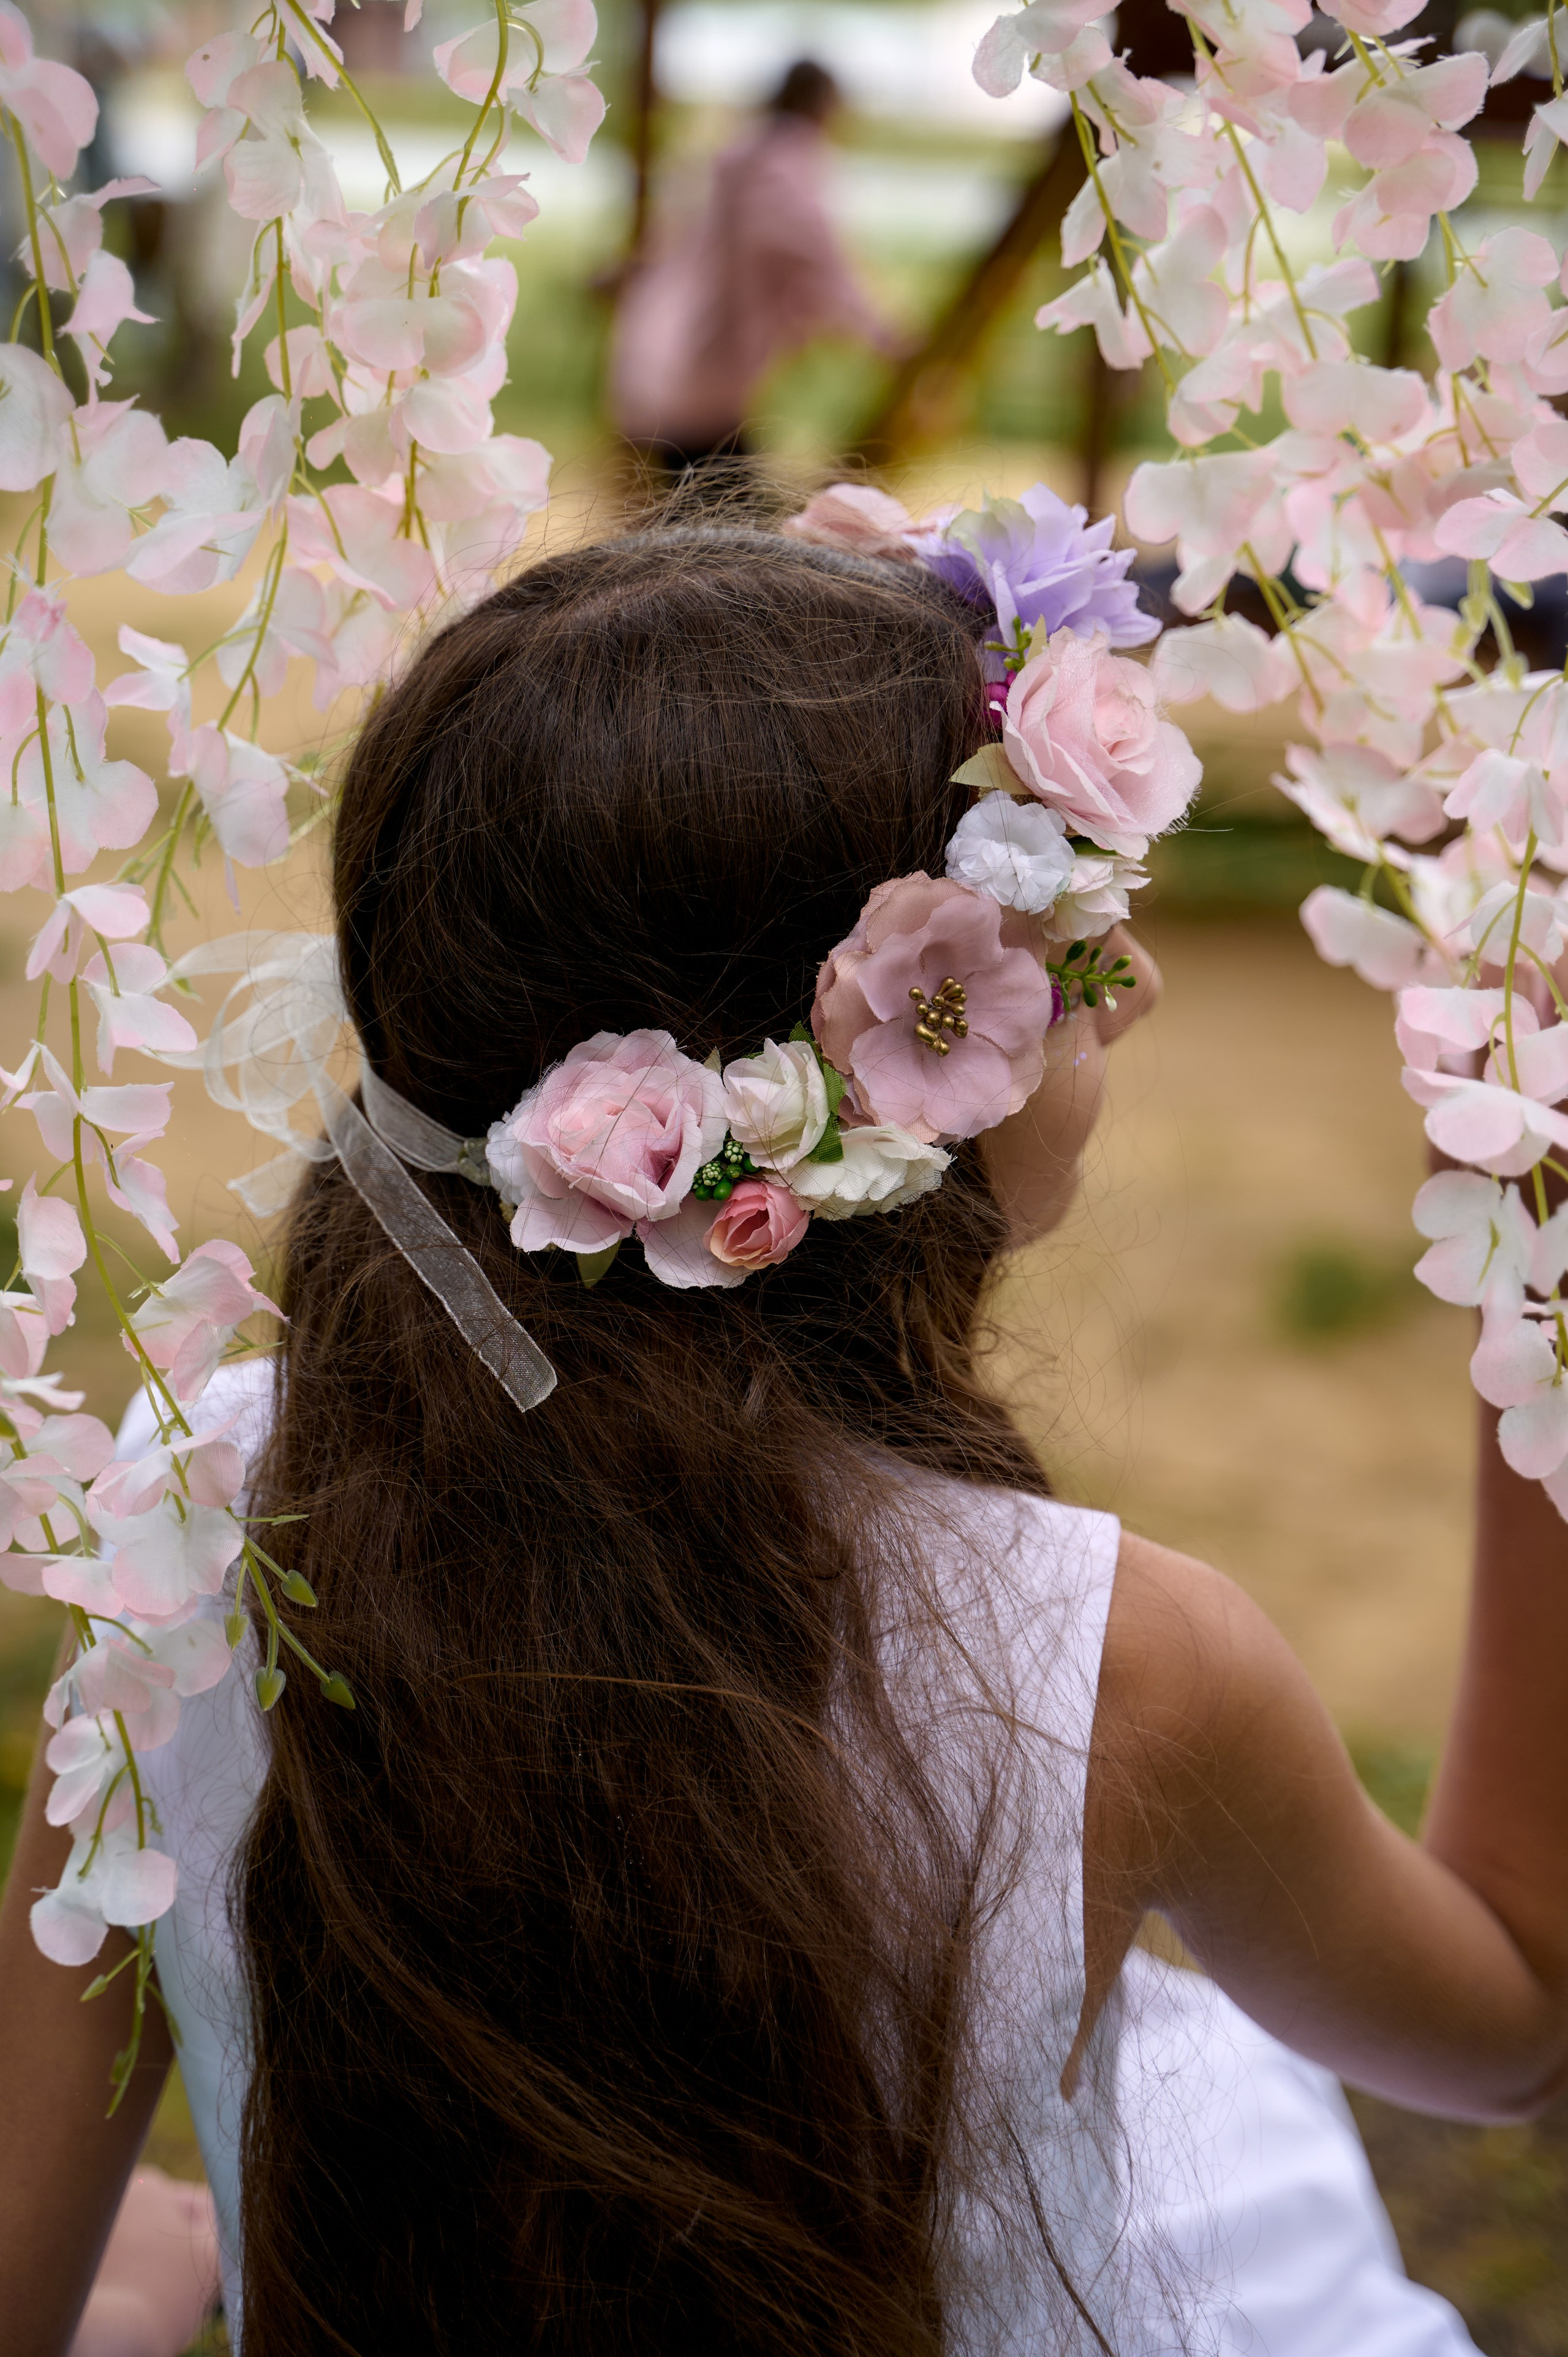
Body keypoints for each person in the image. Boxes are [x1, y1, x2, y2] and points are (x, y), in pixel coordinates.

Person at [2, 513, 1566, 2357]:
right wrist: (1530, 1236)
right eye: (1060, 963)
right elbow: (1513, 2008)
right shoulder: (1116, 1670)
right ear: (886, 1086)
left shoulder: (190, 1527)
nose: (1129, 995)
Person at [609, 61, 897, 475]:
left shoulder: (730, 155)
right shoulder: (782, 168)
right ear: (826, 107)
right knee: (729, 523)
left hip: (654, 366)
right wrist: (890, 340)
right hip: (702, 382)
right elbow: (819, 265)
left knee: (694, 512)